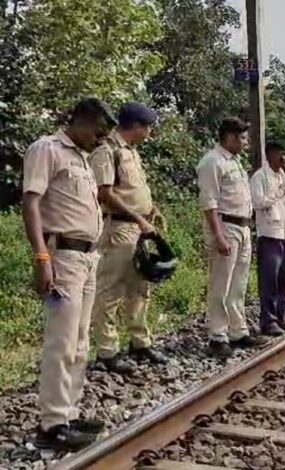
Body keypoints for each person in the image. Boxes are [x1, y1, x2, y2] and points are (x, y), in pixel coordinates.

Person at [22, 98, 117, 450]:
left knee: (79, 342)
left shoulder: (83, 159)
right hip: (62, 256)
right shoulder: (47, 149)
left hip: (87, 258)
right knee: (61, 342)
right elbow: (31, 203)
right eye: (98, 131)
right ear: (82, 121)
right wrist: (42, 256)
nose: (100, 139)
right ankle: (51, 424)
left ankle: (69, 412)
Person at [89, 103, 167, 374]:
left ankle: (139, 342)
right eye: (148, 126)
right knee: (110, 289)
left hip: (138, 227)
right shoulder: (107, 151)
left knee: (140, 287)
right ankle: (107, 351)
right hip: (120, 228)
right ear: (136, 126)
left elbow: (133, 189)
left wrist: (151, 210)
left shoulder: (130, 152)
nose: (150, 132)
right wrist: (138, 217)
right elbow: (105, 193)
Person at [197, 117, 267, 358]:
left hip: (242, 226)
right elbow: (209, 203)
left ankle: (238, 330)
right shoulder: (212, 162)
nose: (246, 143)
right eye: (243, 138)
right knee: (221, 283)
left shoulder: (234, 162)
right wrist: (218, 236)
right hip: (225, 226)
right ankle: (217, 336)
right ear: (230, 137)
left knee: (238, 283)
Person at [250, 141, 285, 336]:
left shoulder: (284, 177)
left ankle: (281, 316)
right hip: (270, 235)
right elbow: (257, 202)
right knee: (269, 281)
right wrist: (277, 193)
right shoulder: (260, 177)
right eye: (282, 154)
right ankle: (268, 320)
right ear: (271, 155)